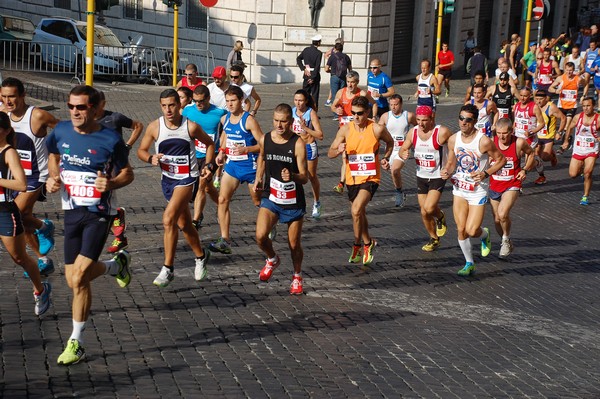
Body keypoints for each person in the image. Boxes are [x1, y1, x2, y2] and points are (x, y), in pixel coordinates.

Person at [46, 85, 133, 366]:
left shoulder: (110, 139)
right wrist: (51, 178)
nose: (74, 112)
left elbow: (127, 173)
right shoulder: (61, 131)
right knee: (72, 280)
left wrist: (112, 182)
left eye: (81, 107)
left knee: (81, 276)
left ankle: (76, 341)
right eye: (71, 106)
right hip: (71, 212)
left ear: (95, 109)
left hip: (98, 213)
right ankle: (115, 265)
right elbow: (52, 155)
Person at [137, 89, 215, 287]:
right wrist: (150, 158)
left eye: (172, 105)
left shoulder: (190, 127)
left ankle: (167, 268)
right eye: (164, 106)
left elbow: (210, 144)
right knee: (185, 225)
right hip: (168, 181)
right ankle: (201, 255)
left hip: (187, 179)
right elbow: (141, 150)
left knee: (168, 219)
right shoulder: (155, 127)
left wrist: (208, 165)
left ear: (179, 105)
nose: (168, 109)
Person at [0, 77, 58, 277]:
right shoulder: (2, 114)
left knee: (17, 213)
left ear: (22, 95)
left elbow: (64, 131)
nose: (8, 101)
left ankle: (43, 231)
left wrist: (54, 157)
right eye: (4, 96)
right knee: (23, 220)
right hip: (12, 175)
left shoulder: (38, 116)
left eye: (12, 97)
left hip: (35, 176)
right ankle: (42, 255)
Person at [440, 104, 506, 276]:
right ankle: (469, 263)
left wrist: (486, 173)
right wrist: (447, 171)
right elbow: (451, 162)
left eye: (468, 120)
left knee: (471, 230)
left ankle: (484, 235)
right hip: (460, 188)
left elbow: (501, 160)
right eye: (461, 118)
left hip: (478, 191)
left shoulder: (483, 141)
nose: (463, 122)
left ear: (475, 121)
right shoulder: (454, 139)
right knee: (461, 229)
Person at [327, 96, 394, 265]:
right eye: (353, 113)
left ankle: (358, 245)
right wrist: (338, 150)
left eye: (360, 114)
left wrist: (385, 157)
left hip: (371, 177)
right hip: (352, 178)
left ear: (368, 112)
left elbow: (390, 142)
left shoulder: (376, 129)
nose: (356, 117)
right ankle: (368, 242)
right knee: (360, 214)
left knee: (356, 210)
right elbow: (330, 152)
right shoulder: (346, 129)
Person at [0, 111, 51, 316]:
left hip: (4, 211)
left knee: (19, 258)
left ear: (4, 131)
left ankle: (40, 289)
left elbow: (21, 184)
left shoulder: (9, 152)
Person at [254, 103, 309, 294]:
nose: (279, 125)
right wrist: (258, 177)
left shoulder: (298, 143)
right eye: (276, 121)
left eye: (283, 121)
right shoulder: (266, 139)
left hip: (293, 200)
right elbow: (261, 157)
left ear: (291, 122)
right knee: (260, 236)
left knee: (293, 244)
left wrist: (292, 176)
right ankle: (272, 259)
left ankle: (297, 275)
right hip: (271, 196)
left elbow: (305, 177)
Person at [209, 86, 264, 254]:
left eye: (233, 101)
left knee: (257, 202)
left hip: (251, 167)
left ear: (241, 101)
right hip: (233, 166)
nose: (230, 104)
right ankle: (225, 240)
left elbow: (263, 144)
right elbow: (226, 136)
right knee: (223, 200)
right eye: (227, 101)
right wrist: (222, 153)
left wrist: (247, 149)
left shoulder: (249, 120)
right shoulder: (224, 119)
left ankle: (270, 221)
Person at [96, 91, 144, 254]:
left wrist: (128, 146)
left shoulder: (114, 118)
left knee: (101, 201)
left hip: (114, 165)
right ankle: (118, 224)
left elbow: (138, 126)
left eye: (97, 103)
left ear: (103, 103)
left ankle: (116, 220)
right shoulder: (85, 121)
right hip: (96, 164)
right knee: (96, 206)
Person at [397, 105, 451, 251]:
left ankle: (440, 216)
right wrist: (403, 153)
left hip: (437, 176)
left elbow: (454, 147)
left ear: (432, 118)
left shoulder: (442, 132)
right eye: (418, 120)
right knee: (423, 211)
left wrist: (449, 166)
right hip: (421, 175)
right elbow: (403, 148)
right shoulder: (413, 132)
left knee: (429, 207)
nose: (420, 124)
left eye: (424, 120)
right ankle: (434, 238)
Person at [488, 118, 535, 258]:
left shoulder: (519, 142)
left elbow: (531, 153)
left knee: (502, 214)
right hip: (494, 184)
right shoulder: (491, 142)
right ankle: (506, 240)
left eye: (505, 133)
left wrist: (525, 170)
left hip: (512, 183)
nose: (501, 136)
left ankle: (505, 239)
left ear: (511, 131)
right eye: (499, 133)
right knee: (497, 219)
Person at [183, 85, 227, 229]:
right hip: (192, 155)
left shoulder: (219, 113)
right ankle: (222, 204)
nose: (198, 104)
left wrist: (223, 150)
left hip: (211, 154)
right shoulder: (188, 111)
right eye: (195, 101)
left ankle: (195, 220)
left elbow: (229, 129)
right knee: (207, 188)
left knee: (203, 182)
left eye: (201, 101)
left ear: (208, 98)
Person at [330, 71, 377, 194]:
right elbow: (332, 106)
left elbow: (374, 103)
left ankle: (352, 181)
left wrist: (374, 117)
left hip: (359, 128)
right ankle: (343, 182)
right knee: (345, 157)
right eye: (348, 82)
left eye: (353, 82)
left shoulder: (361, 93)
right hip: (344, 129)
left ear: (357, 82)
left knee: (350, 156)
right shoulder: (341, 92)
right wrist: (336, 109)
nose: (350, 85)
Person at [378, 94, 415, 208]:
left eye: (396, 104)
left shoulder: (408, 116)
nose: (393, 107)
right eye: (391, 105)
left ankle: (398, 192)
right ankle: (399, 190)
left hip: (402, 150)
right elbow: (377, 133)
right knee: (392, 172)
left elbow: (419, 129)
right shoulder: (385, 116)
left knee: (394, 170)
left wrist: (412, 144)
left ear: (401, 104)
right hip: (390, 150)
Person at [292, 89, 324, 218]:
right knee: (294, 176)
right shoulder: (292, 111)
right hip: (296, 147)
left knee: (311, 176)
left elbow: (320, 135)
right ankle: (295, 203)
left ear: (305, 101)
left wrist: (305, 128)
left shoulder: (311, 113)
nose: (298, 103)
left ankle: (317, 202)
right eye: (296, 100)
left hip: (309, 147)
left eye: (300, 100)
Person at [562, 97, 600, 205]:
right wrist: (566, 141)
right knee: (573, 174)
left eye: (588, 106)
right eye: (584, 106)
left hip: (592, 150)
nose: (586, 108)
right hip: (578, 150)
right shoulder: (578, 117)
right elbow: (569, 128)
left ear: (593, 106)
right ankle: (581, 169)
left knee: (588, 173)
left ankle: (585, 196)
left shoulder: (598, 119)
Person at [549, 62, 584, 153]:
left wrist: (584, 95)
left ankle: (563, 145)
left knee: (567, 124)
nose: (569, 72)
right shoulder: (560, 78)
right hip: (561, 105)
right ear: (565, 69)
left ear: (573, 70)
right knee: (561, 123)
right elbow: (550, 88)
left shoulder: (577, 78)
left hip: (572, 105)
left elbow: (585, 83)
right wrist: (556, 91)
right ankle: (565, 136)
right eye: (567, 70)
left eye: (571, 70)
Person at [532, 90, 565, 184]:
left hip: (548, 137)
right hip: (537, 136)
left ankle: (552, 156)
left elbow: (563, 118)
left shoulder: (551, 107)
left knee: (545, 157)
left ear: (546, 98)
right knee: (536, 156)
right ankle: (541, 176)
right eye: (537, 99)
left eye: (541, 99)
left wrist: (559, 132)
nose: (538, 101)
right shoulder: (534, 106)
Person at [513, 87, 545, 179]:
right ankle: (518, 184)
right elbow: (516, 120)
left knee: (528, 165)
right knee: (516, 160)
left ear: (530, 96)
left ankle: (537, 163)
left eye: (525, 96)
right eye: (521, 95)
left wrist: (532, 131)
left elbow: (542, 123)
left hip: (529, 139)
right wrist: (512, 129)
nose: (522, 98)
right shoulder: (517, 105)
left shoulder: (534, 107)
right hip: (518, 137)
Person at [296, 34, 323, 111]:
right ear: (318, 43)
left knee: (304, 94)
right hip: (314, 75)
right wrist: (313, 78)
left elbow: (298, 59)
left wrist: (303, 68)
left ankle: (303, 109)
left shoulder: (306, 50)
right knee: (314, 95)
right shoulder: (319, 53)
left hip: (306, 74)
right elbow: (317, 66)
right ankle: (314, 111)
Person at [325, 41, 352, 112]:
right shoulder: (346, 57)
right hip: (343, 77)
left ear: (335, 49)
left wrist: (331, 71)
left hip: (334, 77)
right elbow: (350, 69)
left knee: (335, 95)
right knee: (343, 95)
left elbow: (326, 69)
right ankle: (343, 111)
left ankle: (336, 113)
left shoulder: (332, 57)